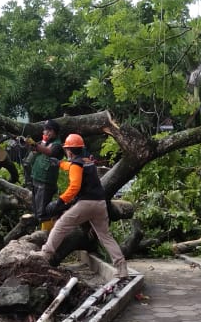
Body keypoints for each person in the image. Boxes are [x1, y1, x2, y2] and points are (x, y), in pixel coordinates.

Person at [35, 133, 128, 279]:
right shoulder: (86, 161)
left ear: (69, 151)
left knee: (61, 225)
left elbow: (74, 186)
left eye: (66, 151)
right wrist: (60, 164)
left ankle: (45, 254)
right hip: (100, 204)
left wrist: (60, 201)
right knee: (105, 236)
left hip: (86, 203)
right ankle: (122, 269)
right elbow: (72, 167)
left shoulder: (76, 164)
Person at [25, 120, 64, 225]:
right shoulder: (44, 142)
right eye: (45, 130)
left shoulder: (57, 145)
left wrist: (35, 144)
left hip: (45, 182)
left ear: (53, 131)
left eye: (47, 130)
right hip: (36, 178)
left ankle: (45, 235)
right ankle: (38, 230)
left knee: (42, 213)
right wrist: (31, 144)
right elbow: (35, 152)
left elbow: (49, 152)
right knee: (36, 210)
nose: (45, 132)